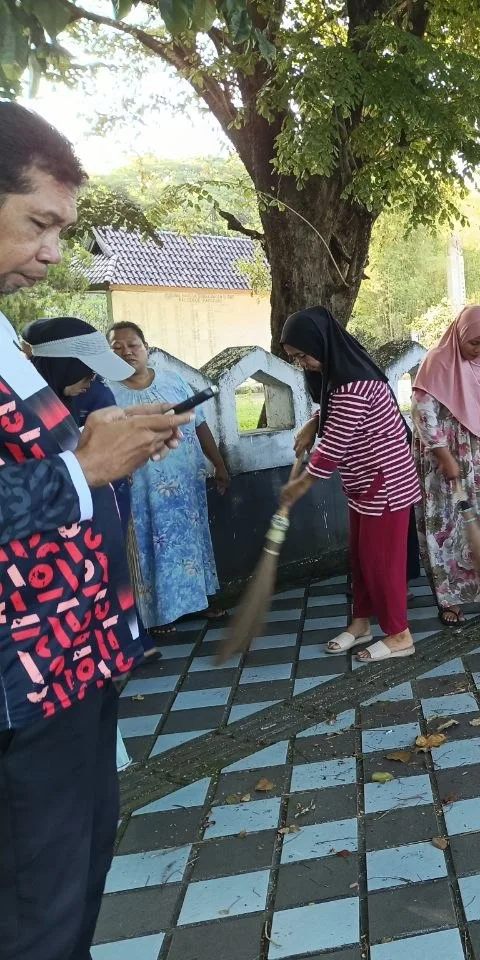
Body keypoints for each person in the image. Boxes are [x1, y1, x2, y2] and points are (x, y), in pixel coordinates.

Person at [0, 102, 191, 960]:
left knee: (78, 884)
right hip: (22, 680)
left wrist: (104, 443)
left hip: (76, 662)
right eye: (38, 223)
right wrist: (83, 469)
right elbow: (58, 478)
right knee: (35, 913)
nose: (52, 251)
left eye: (62, 231)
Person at [280, 307, 421, 661]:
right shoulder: (340, 375)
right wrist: (313, 422)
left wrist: (300, 485)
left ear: (320, 343)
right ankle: (361, 624)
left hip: (385, 485)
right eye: (294, 358)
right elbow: (334, 412)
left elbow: (333, 446)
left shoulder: (354, 384)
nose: (301, 364)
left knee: (381, 562)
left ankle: (400, 635)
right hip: (363, 485)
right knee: (360, 558)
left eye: (302, 355)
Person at [24, 316, 161, 664]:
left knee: (108, 566)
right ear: (64, 366)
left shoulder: (91, 393)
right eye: (86, 372)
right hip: (50, 535)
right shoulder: (24, 413)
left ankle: (124, 642)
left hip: (103, 506)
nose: (92, 381)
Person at [108, 321, 230, 634]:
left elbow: (199, 424)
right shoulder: (108, 393)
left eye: (133, 345)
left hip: (186, 483)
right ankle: (159, 614)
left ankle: (199, 601)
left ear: (146, 348)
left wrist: (219, 464)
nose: (126, 352)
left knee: (192, 540)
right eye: (117, 348)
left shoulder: (172, 380)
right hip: (142, 488)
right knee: (151, 544)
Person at [412, 305, 480, 625]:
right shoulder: (437, 361)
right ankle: (450, 598)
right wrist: (444, 456)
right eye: (474, 343)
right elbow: (421, 412)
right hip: (446, 454)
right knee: (448, 525)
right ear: (460, 335)